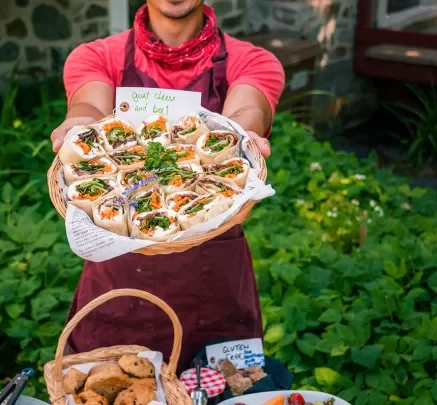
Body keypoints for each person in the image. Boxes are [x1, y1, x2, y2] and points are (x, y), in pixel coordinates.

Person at [51, 0, 285, 372]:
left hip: (215, 283)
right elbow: (89, 109)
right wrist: (76, 128)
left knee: (226, 390)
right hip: (116, 285)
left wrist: (243, 133)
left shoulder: (253, 61)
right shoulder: (96, 56)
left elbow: (246, 112)